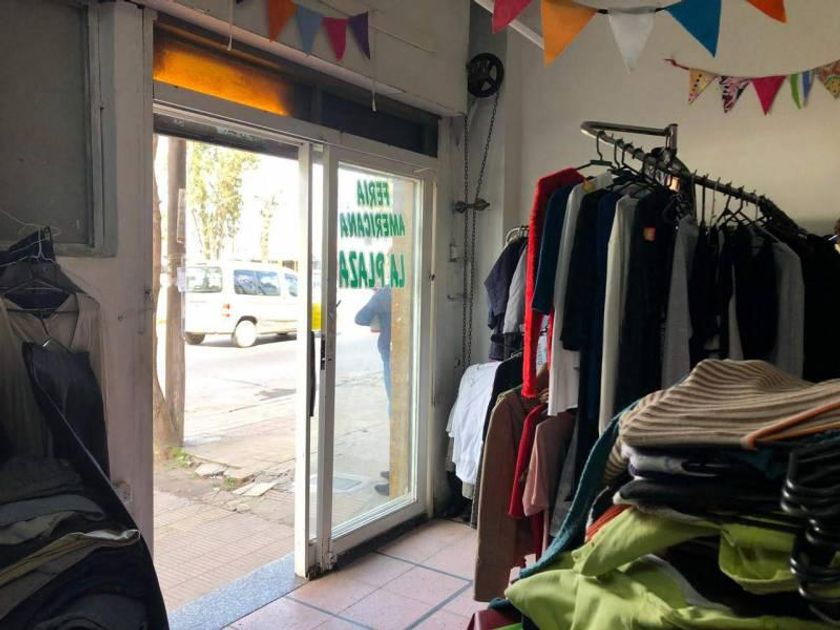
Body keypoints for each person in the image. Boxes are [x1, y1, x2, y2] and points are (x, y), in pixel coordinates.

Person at [355, 287, 393, 496]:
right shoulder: (408, 289)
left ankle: (400, 475)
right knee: (401, 412)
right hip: (405, 352)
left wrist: (376, 301)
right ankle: (399, 468)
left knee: (396, 412)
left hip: (393, 353)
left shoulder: (386, 293)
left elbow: (360, 318)